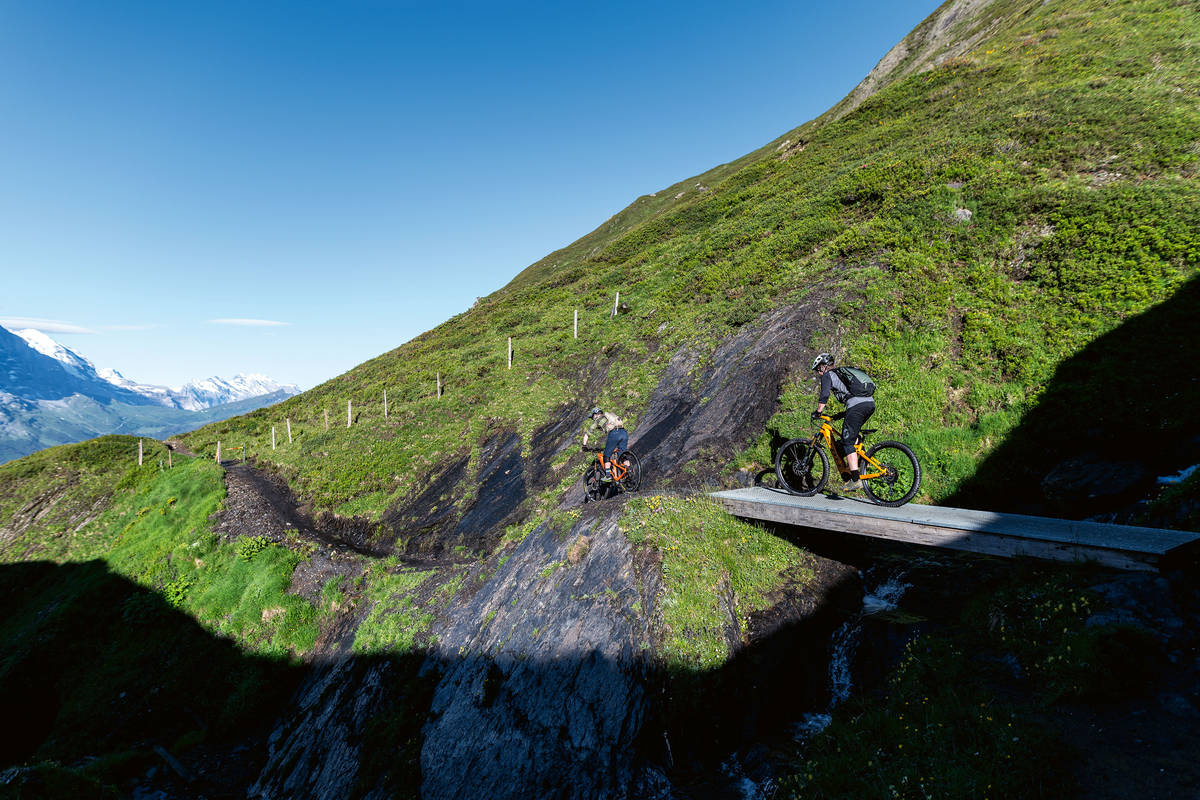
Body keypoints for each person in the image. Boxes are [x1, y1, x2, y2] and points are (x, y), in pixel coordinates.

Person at [811, 353, 875, 492]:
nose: (818, 373)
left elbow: (825, 394)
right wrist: (840, 414)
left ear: (823, 366)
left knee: (847, 442)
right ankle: (863, 463)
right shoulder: (841, 373)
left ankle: (855, 479)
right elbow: (852, 396)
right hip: (869, 403)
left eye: (818, 369)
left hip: (857, 406)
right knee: (852, 436)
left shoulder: (828, 375)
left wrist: (818, 412)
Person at [582, 406, 627, 481]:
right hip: (623, 432)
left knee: (606, 456)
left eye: (593, 416)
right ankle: (628, 471)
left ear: (596, 414)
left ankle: (608, 476)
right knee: (622, 454)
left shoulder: (598, 420)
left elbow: (587, 434)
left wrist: (584, 445)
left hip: (614, 433)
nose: (593, 419)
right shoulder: (608, 416)